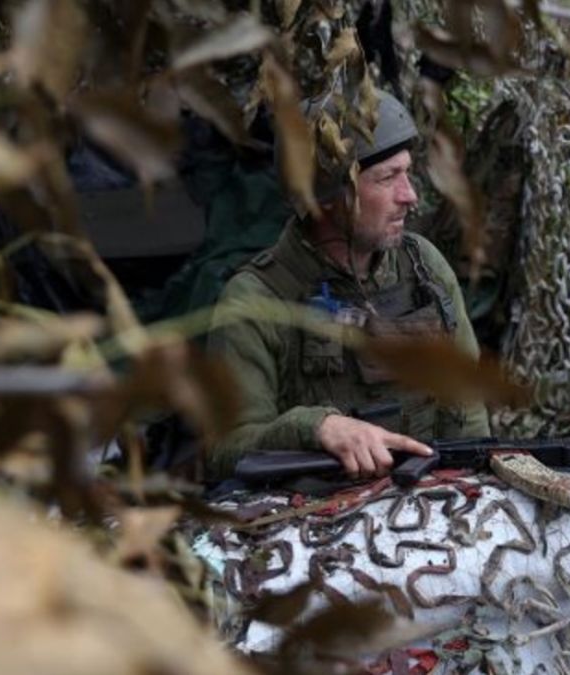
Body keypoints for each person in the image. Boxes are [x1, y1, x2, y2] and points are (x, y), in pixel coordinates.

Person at [206, 89, 490, 479]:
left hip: (428, 497)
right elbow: (226, 450)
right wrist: (316, 428)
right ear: (325, 195)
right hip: (313, 510)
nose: (409, 196)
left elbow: (467, 407)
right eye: (387, 178)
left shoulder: (424, 266)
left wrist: (474, 483)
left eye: (407, 172)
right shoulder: (255, 299)